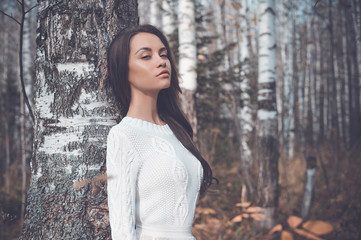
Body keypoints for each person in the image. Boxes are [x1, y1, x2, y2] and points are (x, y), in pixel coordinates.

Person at [106, 24, 214, 240]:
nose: (161, 61)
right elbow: (121, 227)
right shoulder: (124, 135)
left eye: (163, 54)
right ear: (123, 70)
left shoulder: (177, 130)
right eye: (146, 56)